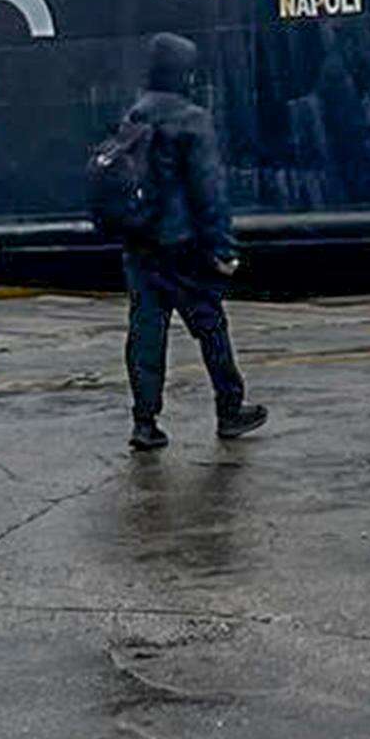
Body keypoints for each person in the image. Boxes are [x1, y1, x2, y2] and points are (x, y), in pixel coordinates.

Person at [117, 35, 265, 451]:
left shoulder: (134, 112)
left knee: (146, 330)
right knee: (210, 325)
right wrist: (222, 247)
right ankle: (230, 409)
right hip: (183, 245)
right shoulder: (192, 118)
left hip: (140, 243)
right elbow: (208, 190)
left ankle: (144, 422)